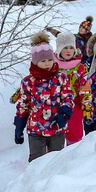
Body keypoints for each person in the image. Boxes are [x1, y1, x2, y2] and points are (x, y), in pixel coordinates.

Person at [14, 32, 74, 162]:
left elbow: (68, 98)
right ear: (35, 62)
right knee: (36, 161)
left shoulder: (61, 78)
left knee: (56, 161)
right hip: (36, 130)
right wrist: (19, 126)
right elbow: (23, 104)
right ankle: (35, 182)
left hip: (57, 126)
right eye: (43, 61)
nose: (47, 63)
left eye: (50, 60)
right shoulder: (28, 82)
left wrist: (63, 114)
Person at [53, 32, 92, 146]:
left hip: (75, 107)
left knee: (74, 135)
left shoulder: (80, 67)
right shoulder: (54, 67)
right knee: (57, 135)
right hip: (57, 106)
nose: (68, 50)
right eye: (65, 48)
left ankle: (73, 156)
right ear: (59, 50)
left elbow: (85, 88)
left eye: (71, 47)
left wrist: (87, 105)